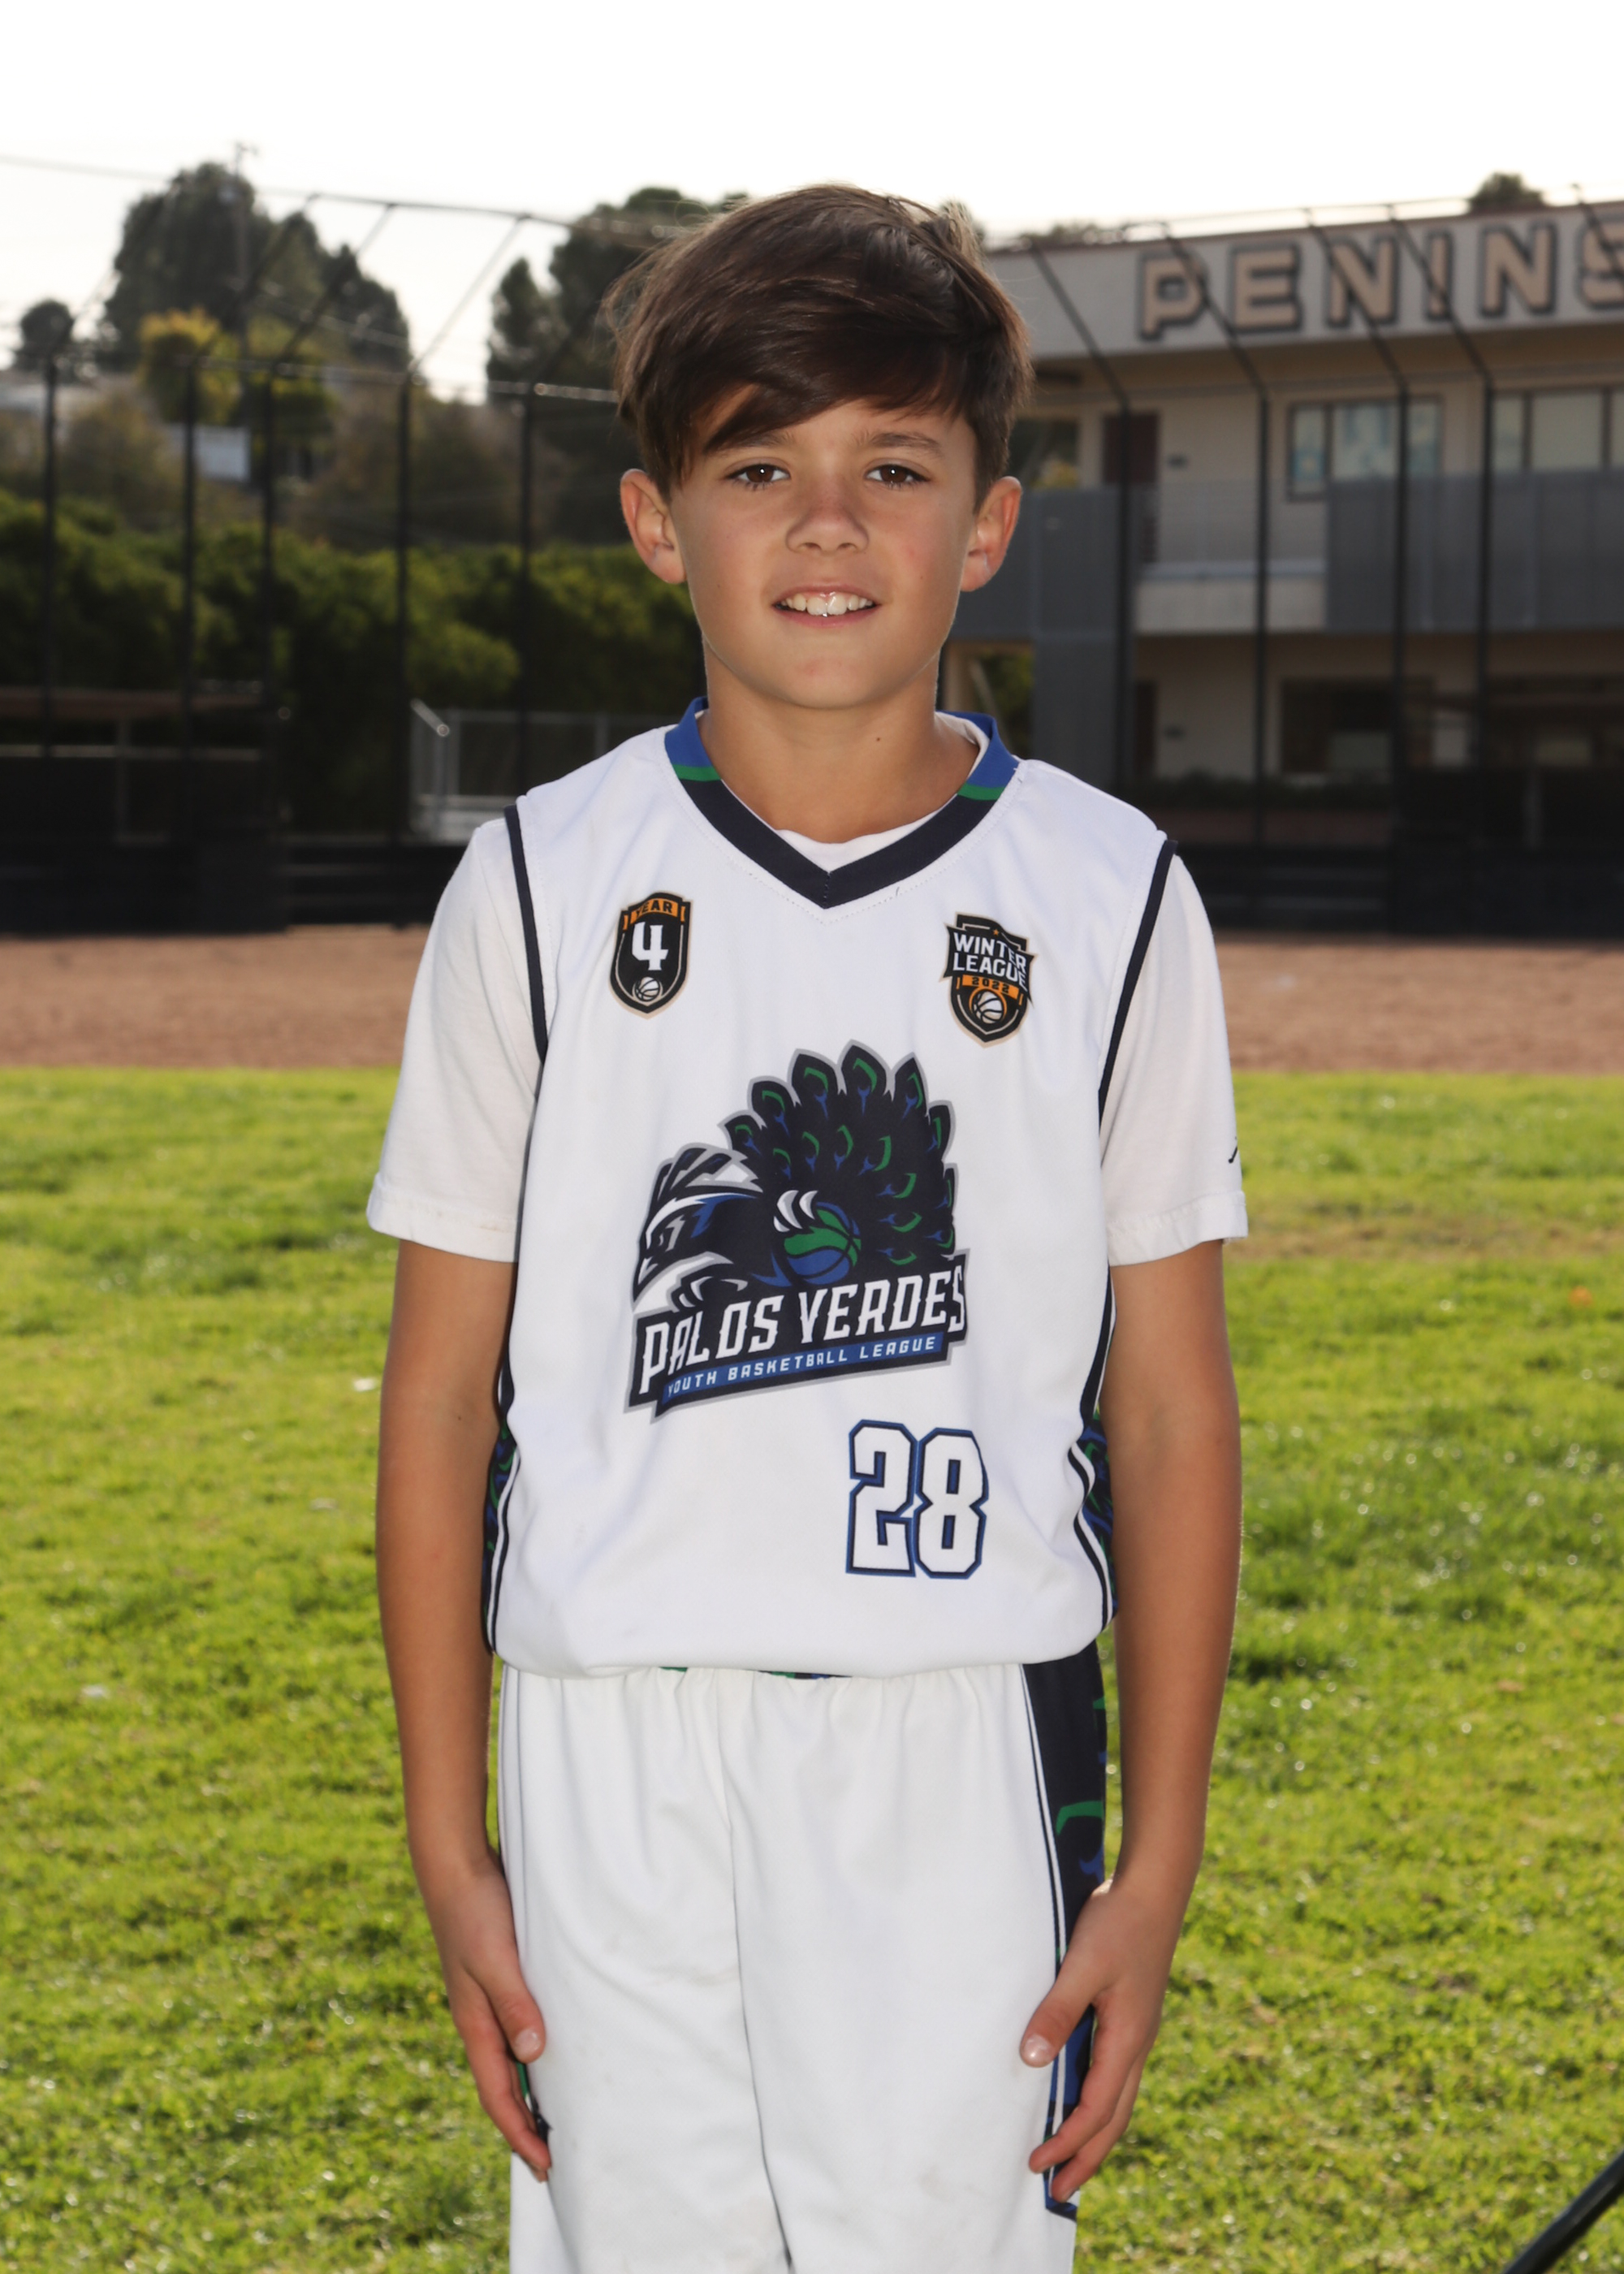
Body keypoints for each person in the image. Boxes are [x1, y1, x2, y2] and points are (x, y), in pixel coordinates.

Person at [369, 184, 1246, 2274]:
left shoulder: (1110, 893)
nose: (828, 524)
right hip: (610, 1739)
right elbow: (438, 1393)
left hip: (957, 1734)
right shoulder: (539, 883)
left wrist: (1157, 1863)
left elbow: (1168, 1407)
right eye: (759, 467)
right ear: (656, 522)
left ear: (989, 523)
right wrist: (446, 1831)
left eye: (894, 468)